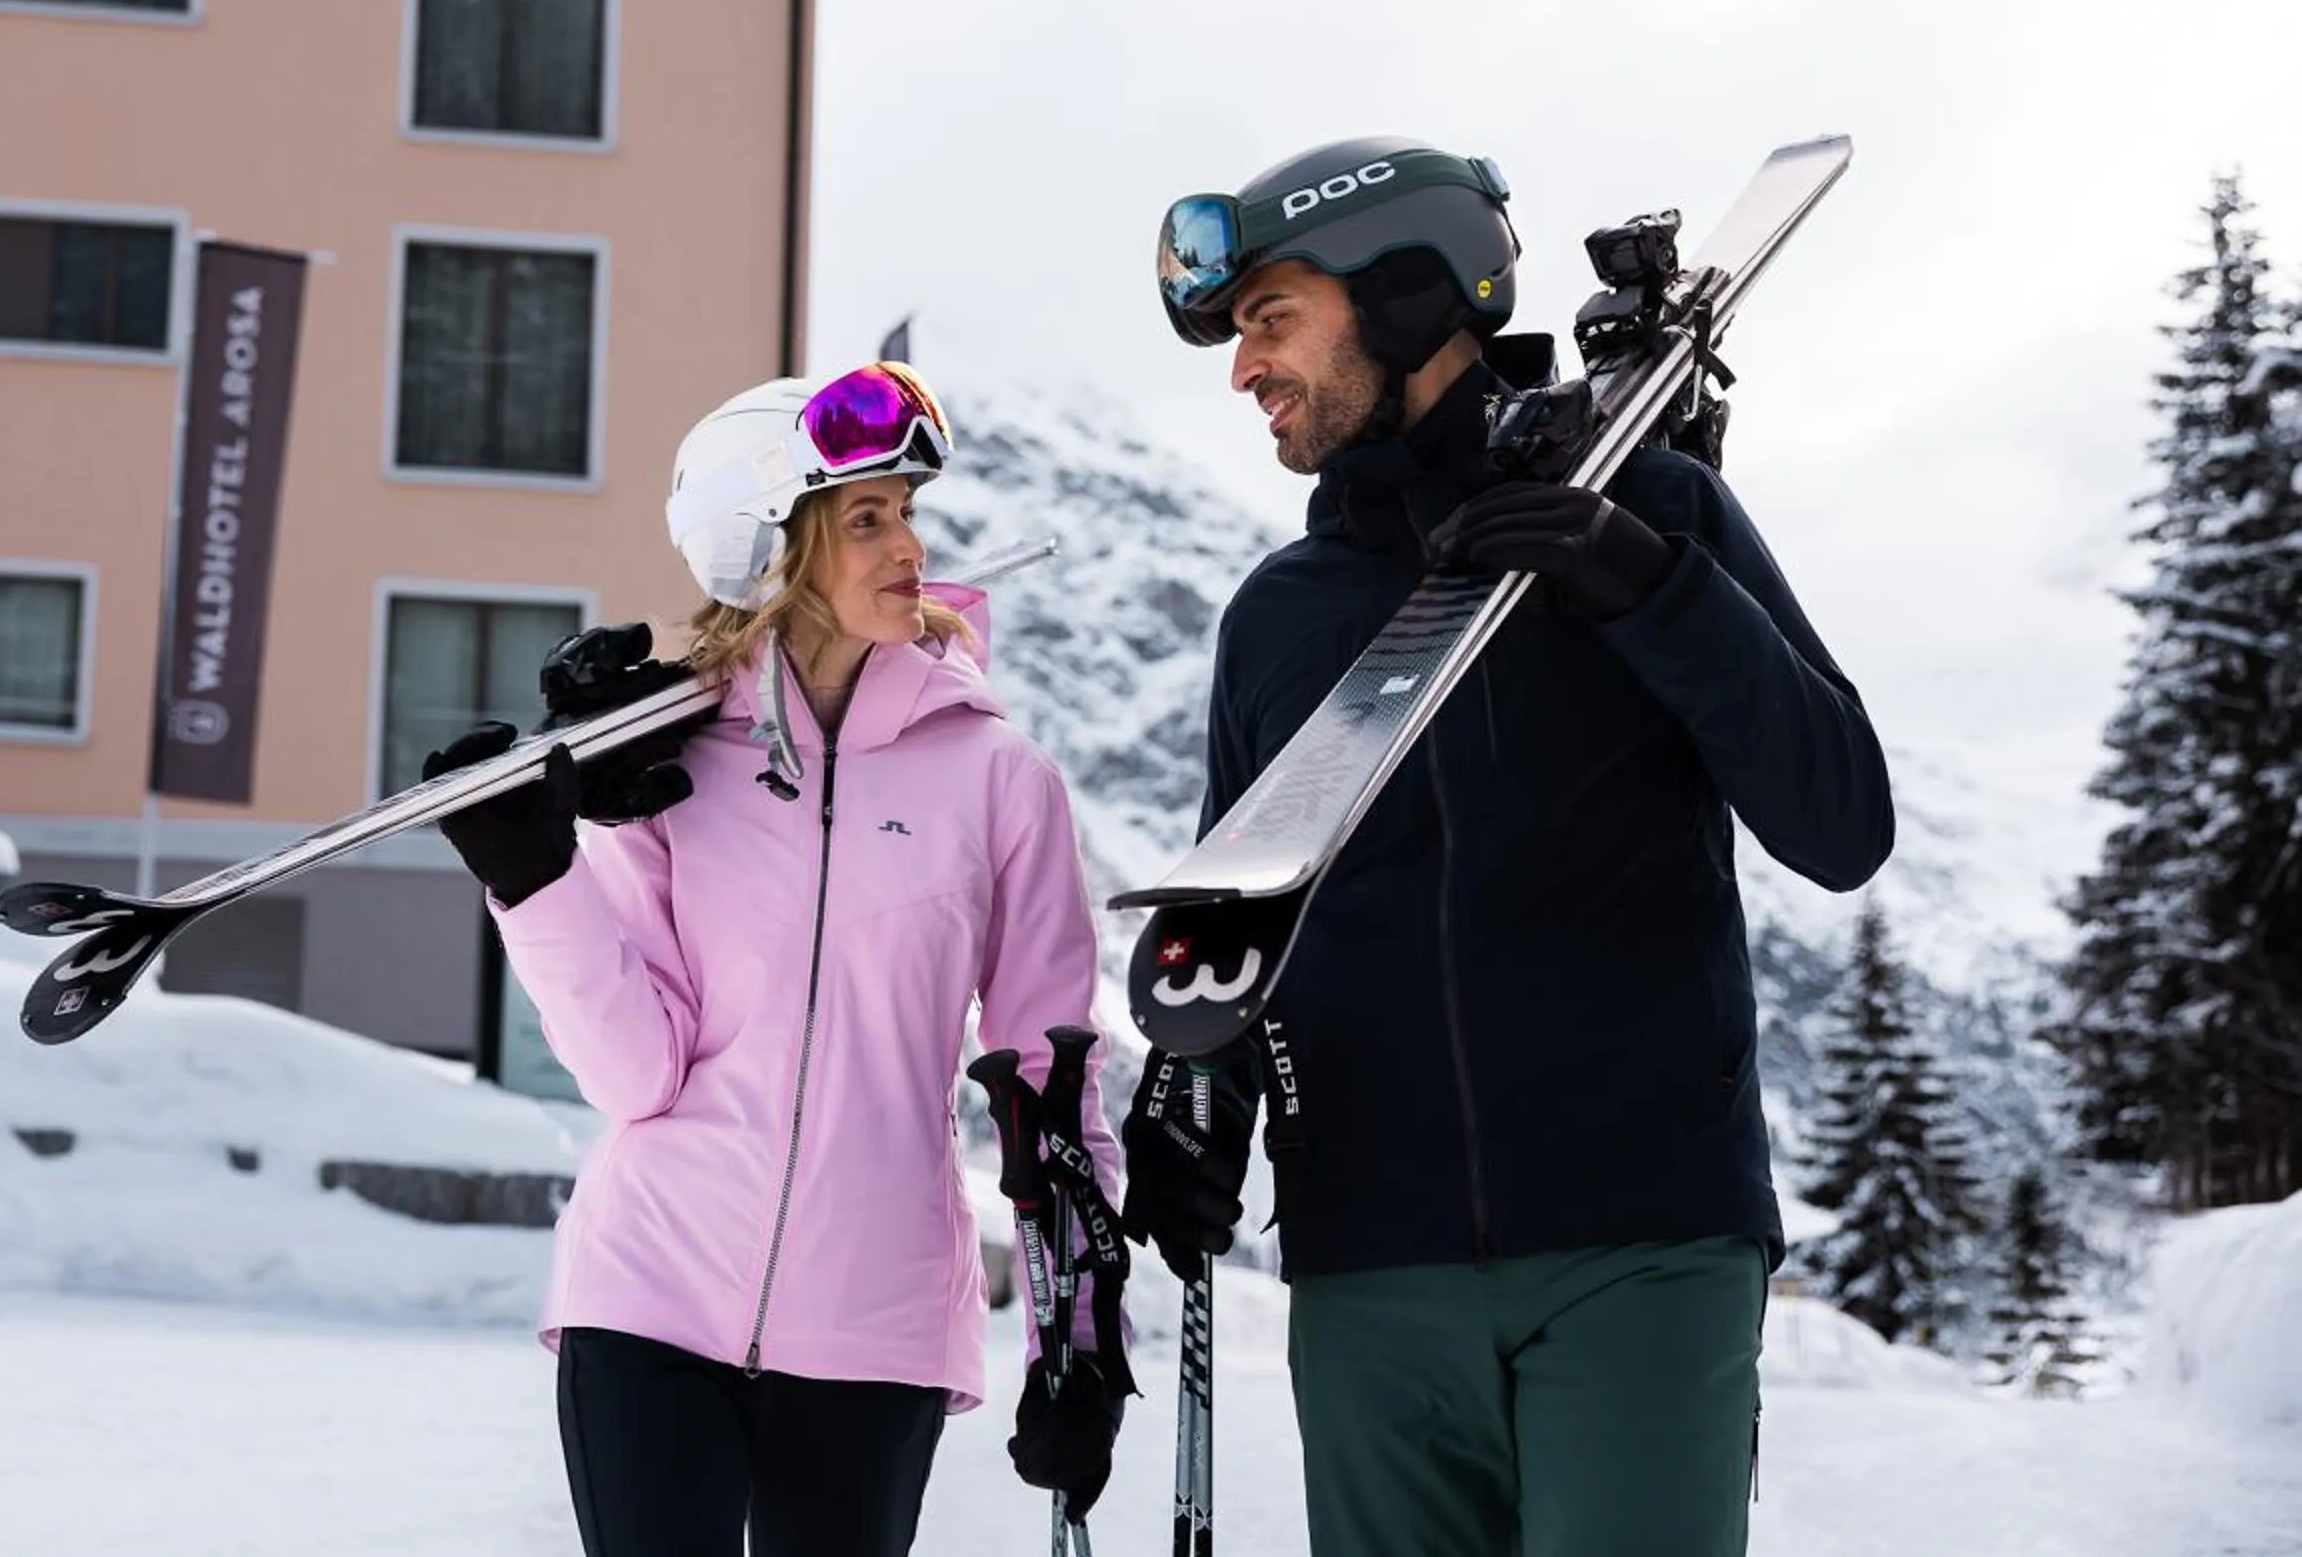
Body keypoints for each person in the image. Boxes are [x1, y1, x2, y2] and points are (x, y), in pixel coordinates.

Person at [1116, 137, 1897, 1557]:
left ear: (1410, 296)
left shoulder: (1654, 511)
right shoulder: (1281, 621)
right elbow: (1244, 930)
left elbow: (1840, 820)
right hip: (1370, 1272)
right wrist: (1193, 1094)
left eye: (1271, 322)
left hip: (1641, 1246)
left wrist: (1649, 587)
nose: (1244, 373)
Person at [424, 360, 1132, 1557]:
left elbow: (1049, 1080)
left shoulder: (999, 779)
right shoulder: (670, 759)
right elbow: (635, 1072)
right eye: (866, 516)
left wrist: (1078, 1340)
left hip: (877, 1320)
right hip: (648, 1294)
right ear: (769, 546)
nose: (906, 542)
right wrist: (538, 877)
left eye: (907, 510)